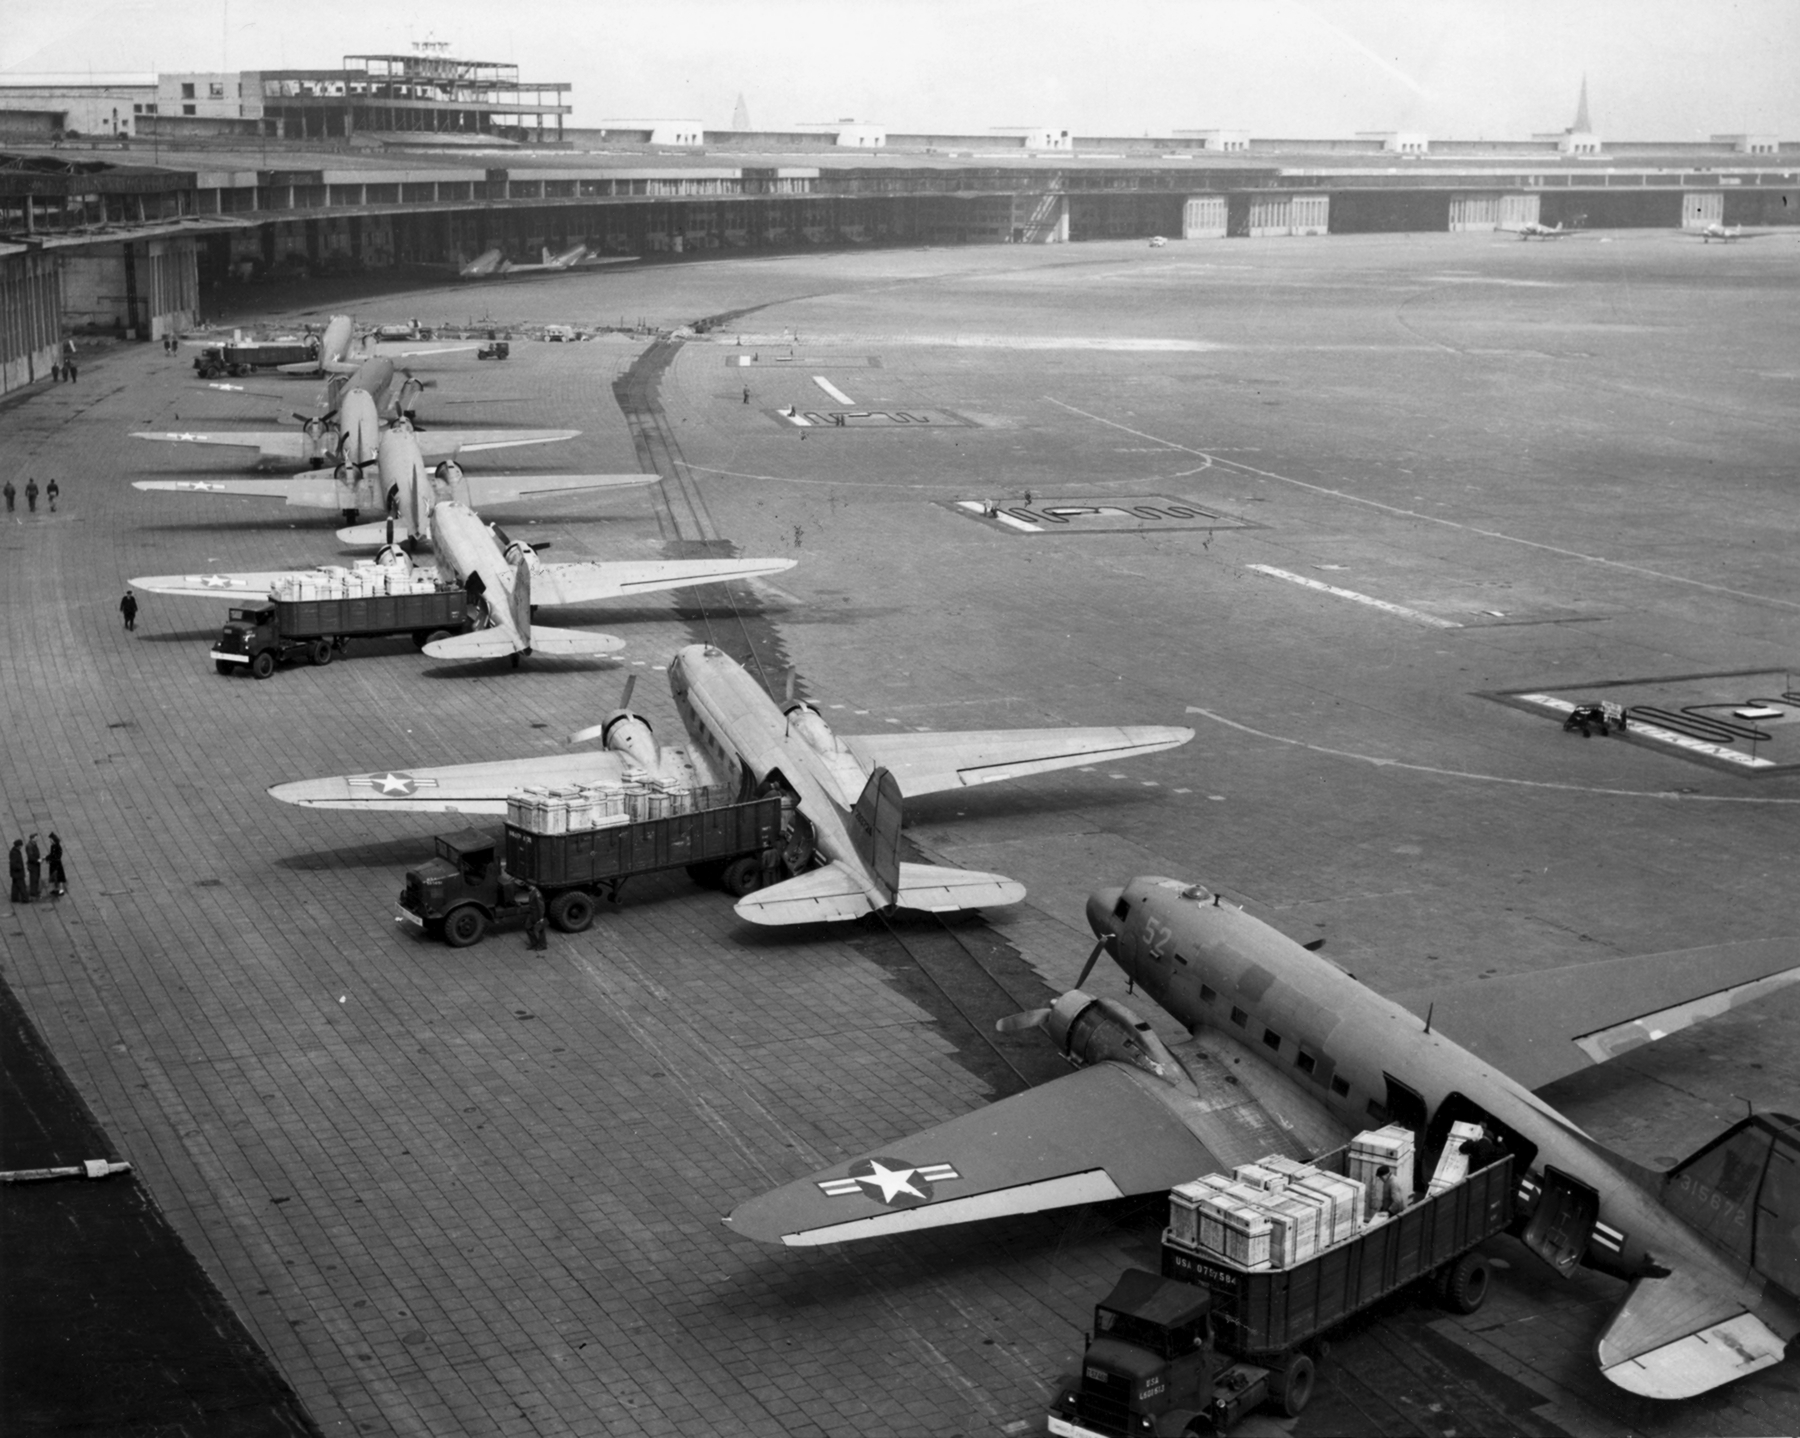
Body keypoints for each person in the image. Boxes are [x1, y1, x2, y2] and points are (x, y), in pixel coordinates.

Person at [523, 883, 548, 951]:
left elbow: (541, 906)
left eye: (529, 885)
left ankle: (543, 945)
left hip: (537, 914)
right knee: (527, 926)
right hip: (532, 913)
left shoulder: (537, 894)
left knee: (540, 929)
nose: (528, 887)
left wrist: (541, 918)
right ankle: (534, 943)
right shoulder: (532, 892)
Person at [46, 833, 66, 898]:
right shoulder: (52, 846)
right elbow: (51, 854)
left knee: (60, 878)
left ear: (53, 840)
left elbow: (57, 857)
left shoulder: (58, 847)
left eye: (50, 839)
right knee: (55, 878)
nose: (50, 841)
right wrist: (47, 857)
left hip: (57, 865)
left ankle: (61, 890)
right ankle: (56, 889)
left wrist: (51, 859)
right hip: (53, 865)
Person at [8, 840, 25, 904]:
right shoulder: (15, 853)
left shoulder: (14, 851)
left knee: (15, 886)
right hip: (18, 873)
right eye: (20, 845)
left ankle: (14, 898)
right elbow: (13, 863)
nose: (21, 847)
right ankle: (25, 899)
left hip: (14, 874)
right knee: (22, 886)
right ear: (18, 846)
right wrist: (19, 867)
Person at [24, 834, 41, 899]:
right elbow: (30, 857)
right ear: (32, 838)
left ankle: (35, 891)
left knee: (36, 878)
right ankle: (33, 892)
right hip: (33, 865)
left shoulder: (33, 844)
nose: (37, 839)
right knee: (34, 879)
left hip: (36, 864)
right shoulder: (29, 846)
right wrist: (37, 860)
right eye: (36, 838)